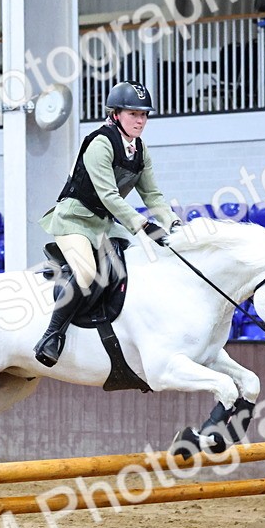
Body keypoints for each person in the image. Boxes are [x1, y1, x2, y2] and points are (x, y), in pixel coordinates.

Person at [34, 80, 182, 367]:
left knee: (137, 262)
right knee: (88, 272)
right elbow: (108, 195)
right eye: (133, 114)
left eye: (143, 115)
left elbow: (153, 195)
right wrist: (142, 225)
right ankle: (52, 335)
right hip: (74, 219)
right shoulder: (100, 143)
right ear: (116, 114)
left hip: (103, 224)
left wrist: (174, 224)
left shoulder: (140, 150)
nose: (140, 121)